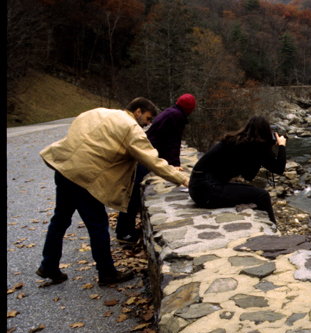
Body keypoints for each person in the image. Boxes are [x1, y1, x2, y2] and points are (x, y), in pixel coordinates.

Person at [36, 98, 190, 286]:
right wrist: (180, 178)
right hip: (85, 178)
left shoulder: (98, 112)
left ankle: (48, 264)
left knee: (59, 220)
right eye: (148, 118)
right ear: (138, 111)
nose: (148, 124)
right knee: (98, 225)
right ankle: (107, 272)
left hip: (65, 168)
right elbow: (152, 160)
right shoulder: (130, 128)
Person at [116, 94, 196, 244]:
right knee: (132, 196)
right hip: (146, 157)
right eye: (147, 119)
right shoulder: (177, 116)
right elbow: (174, 140)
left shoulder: (171, 112)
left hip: (146, 154)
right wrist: (174, 164)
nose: (147, 123)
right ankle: (123, 232)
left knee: (131, 195)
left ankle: (125, 230)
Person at [188, 116, 286, 227]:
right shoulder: (255, 146)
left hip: (197, 188)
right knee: (263, 195)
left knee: (253, 191)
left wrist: (265, 150)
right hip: (207, 192)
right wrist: (281, 146)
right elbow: (279, 168)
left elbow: (248, 175)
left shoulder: (236, 141)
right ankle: (273, 229)